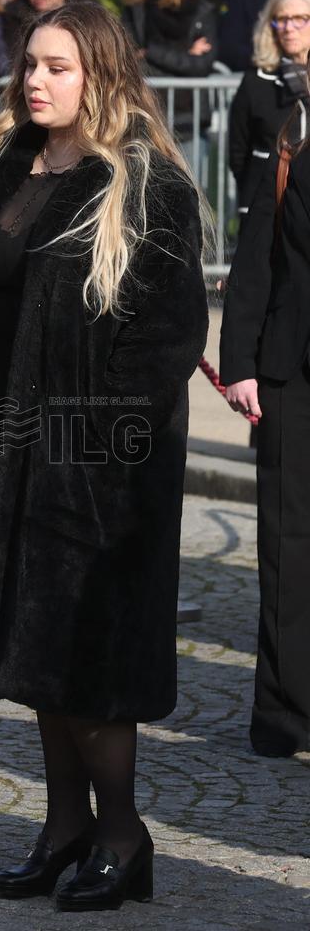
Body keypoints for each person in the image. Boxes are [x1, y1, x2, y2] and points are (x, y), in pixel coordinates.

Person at [0, 2, 208, 911]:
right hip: (3, 454)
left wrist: (93, 454)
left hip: (96, 470)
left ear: (101, 76)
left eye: (57, 67)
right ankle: (64, 828)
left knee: (90, 658)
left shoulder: (145, 185)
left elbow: (164, 340)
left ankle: (122, 836)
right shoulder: (6, 166)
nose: (35, 81)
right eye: (30, 64)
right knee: (34, 649)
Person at [220, 88, 310, 757]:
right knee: (287, 545)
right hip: (290, 373)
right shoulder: (290, 143)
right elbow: (257, 260)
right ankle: (282, 712)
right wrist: (239, 363)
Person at [122, 0, 216, 163]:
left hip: (189, 120)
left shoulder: (202, 11)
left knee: (191, 182)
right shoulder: (137, 8)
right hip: (146, 116)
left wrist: (151, 53)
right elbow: (129, 59)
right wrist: (184, 53)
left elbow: (201, 66)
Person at [230, 0, 310, 223]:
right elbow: (238, 152)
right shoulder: (256, 82)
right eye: (281, 19)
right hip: (264, 210)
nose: (288, 28)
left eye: (300, 18)